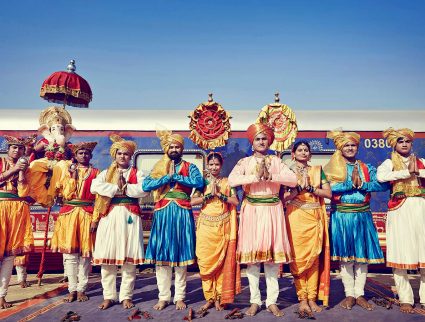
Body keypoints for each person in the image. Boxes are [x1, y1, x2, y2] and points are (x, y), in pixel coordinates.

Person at [228, 123, 297, 317]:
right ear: (252, 142)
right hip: (252, 211)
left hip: (273, 210)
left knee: (272, 261)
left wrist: (272, 175)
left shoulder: (277, 161)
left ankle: (272, 301)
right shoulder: (244, 162)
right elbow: (232, 181)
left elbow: (293, 180)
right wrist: (254, 177)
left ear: (269, 141)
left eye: (264, 138)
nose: (261, 141)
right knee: (252, 260)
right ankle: (255, 301)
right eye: (257, 138)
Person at [324, 130, 388, 311]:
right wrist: (349, 184)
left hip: (362, 215)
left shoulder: (366, 167)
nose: (350, 148)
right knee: (346, 259)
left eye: (353, 145)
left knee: (362, 258)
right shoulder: (333, 167)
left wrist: (363, 184)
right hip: (342, 216)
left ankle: (360, 294)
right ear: (340, 148)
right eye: (347, 145)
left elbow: (383, 184)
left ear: (357, 148)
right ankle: (349, 294)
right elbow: (327, 187)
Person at [143, 129, 203, 311]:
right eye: (171, 146)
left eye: (177, 146)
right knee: (162, 257)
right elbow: (145, 185)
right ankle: (163, 297)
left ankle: (179, 297)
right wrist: (165, 178)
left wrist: (176, 176)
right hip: (162, 212)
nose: (174, 149)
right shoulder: (159, 166)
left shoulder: (189, 166)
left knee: (181, 257)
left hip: (182, 212)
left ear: (182, 149)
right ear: (167, 149)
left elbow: (199, 183)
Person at [91, 135, 148, 310]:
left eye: (126, 154)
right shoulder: (105, 174)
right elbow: (94, 187)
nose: (122, 156)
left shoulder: (138, 173)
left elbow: (143, 190)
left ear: (131, 157)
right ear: (114, 156)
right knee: (108, 260)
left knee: (129, 261)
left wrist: (126, 188)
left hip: (130, 217)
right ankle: (109, 296)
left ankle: (126, 296)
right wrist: (116, 187)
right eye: (120, 153)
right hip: (110, 216)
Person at [377, 128, 425, 314]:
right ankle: (406, 299)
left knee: (423, 253)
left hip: (421, 210)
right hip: (400, 210)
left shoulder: (421, 162)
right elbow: (381, 177)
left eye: (407, 141)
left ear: (412, 143)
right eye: (400, 141)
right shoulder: (389, 163)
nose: (404, 144)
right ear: (394, 144)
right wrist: (406, 172)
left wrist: (418, 172)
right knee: (401, 253)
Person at [283, 141, 332, 317]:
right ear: (293, 153)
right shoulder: (287, 172)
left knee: (314, 258)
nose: (303, 152)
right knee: (298, 258)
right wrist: (297, 189)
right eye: (300, 150)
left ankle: (312, 297)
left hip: (314, 216)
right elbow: (283, 197)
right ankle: (302, 298)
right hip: (295, 217)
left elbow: (328, 194)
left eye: (306, 150)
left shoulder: (318, 171)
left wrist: (311, 188)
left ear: (310, 154)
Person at [49, 142, 99, 303]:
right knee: (70, 255)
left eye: (86, 153)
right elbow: (65, 193)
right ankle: (72, 289)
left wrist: (96, 218)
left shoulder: (97, 173)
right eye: (80, 153)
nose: (83, 155)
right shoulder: (66, 172)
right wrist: (72, 177)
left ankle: (82, 289)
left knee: (85, 255)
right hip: (69, 214)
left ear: (90, 156)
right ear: (75, 156)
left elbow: (100, 199)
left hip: (87, 214)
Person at [191, 152, 240, 313]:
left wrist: (219, 195)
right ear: (207, 165)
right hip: (205, 228)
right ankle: (209, 298)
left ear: (221, 165)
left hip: (223, 227)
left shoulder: (227, 182)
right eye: (211, 164)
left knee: (221, 264)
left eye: (216, 164)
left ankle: (219, 298)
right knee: (205, 263)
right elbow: (192, 201)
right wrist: (207, 196)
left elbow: (235, 201)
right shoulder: (202, 183)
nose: (214, 167)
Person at [0, 135, 34, 309]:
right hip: (0, 207)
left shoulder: (26, 169)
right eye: (14, 148)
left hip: (16, 211)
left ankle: (2, 295)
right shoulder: (0, 162)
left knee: (9, 255)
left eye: (21, 149)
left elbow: (23, 193)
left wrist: (21, 171)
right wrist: (13, 171)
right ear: (8, 149)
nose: (17, 151)